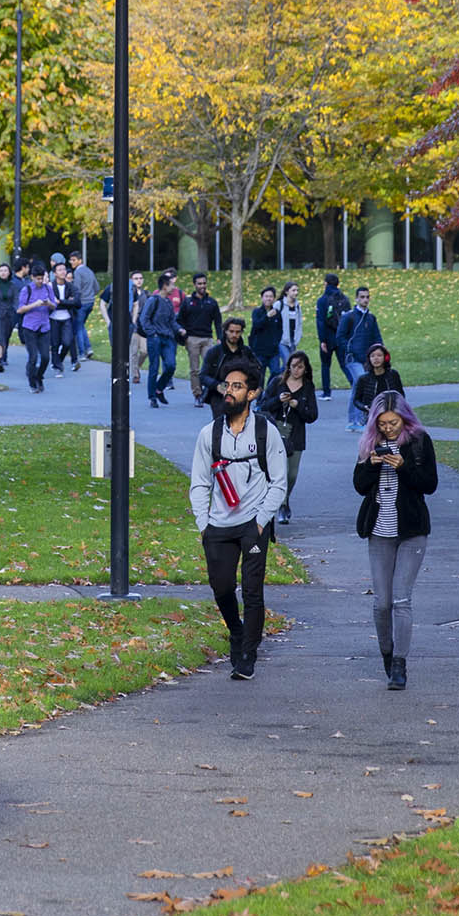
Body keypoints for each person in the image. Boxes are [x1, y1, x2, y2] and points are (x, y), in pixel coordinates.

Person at [187, 355, 285, 680]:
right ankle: (236, 631)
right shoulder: (208, 434)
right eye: (227, 385)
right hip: (218, 524)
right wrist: (204, 524)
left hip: (253, 523)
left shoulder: (265, 433)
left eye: (237, 386)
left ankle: (248, 655)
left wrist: (260, 521)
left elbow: (278, 483)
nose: (229, 391)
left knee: (253, 591)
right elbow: (199, 483)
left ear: (252, 393)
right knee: (222, 588)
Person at [353, 391, 437, 691]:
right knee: (382, 602)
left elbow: (430, 484)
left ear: (405, 418)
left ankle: (400, 664)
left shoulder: (419, 441)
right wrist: (372, 465)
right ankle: (387, 653)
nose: (388, 428)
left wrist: (404, 467)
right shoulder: (370, 443)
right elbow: (359, 486)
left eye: (393, 422)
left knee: (401, 599)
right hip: (379, 530)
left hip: (411, 530)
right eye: (383, 423)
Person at [257, 349, 319, 526]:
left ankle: (285, 498)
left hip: (295, 435)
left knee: (291, 474)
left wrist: (297, 404)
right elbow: (262, 406)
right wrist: (279, 400)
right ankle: (281, 505)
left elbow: (312, 415)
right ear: (288, 367)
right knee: (279, 472)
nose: (296, 370)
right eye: (293, 366)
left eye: (300, 367)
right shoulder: (277, 382)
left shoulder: (308, 387)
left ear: (305, 369)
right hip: (275, 433)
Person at [139, 275, 181, 406]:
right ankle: (152, 397)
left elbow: (172, 321)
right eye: (171, 285)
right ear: (164, 286)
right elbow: (144, 319)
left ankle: (159, 389)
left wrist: (180, 329)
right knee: (154, 367)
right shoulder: (153, 300)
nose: (173, 287)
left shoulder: (168, 302)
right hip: (155, 338)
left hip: (167, 338)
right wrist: (153, 333)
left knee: (171, 365)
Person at [16, 263, 58, 394]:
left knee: (45, 357)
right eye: (38, 279)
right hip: (30, 327)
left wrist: (48, 303)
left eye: (42, 278)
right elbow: (20, 309)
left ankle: (39, 376)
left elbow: (54, 305)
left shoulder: (48, 288)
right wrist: (34, 304)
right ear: (32, 277)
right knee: (33, 357)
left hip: (44, 326)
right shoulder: (26, 290)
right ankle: (32, 382)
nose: (40, 281)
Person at [178, 273, 223, 385]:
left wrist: (219, 337)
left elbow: (218, 321)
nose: (202, 286)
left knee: (212, 366)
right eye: (199, 283)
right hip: (192, 338)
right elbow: (179, 319)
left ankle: (209, 392)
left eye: (204, 283)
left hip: (207, 339)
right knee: (195, 369)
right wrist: (183, 333)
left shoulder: (212, 302)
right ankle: (197, 394)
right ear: (194, 285)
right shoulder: (187, 302)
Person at [335, 284, 382, 387]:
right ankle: (363, 403)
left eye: (367, 297)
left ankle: (355, 404)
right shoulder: (348, 317)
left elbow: (377, 337)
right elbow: (339, 337)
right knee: (362, 382)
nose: (365, 300)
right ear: (356, 299)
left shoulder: (371, 318)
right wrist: (350, 349)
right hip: (353, 358)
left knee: (358, 388)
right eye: (362, 297)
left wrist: (379, 352)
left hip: (368, 359)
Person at [198, 317, 251, 408]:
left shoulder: (246, 352)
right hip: (219, 394)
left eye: (237, 332)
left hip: (240, 394)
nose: (234, 335)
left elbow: (257, 373)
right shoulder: (214, 352)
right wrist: (217, 386)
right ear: (225, 331)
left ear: (241, 332)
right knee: (222, 420)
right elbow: (203, 376)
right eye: (231, 331)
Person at [349, 343, 403, 429]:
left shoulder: (393, 375)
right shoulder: (364, 379)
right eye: (372, 356)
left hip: (392, 414)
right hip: (372, 416)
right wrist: (365, 407)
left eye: (379, 355)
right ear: (369, 359)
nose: (376, 358)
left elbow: (401, 395)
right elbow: (356, 400)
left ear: (385, 357)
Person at [314, 272, 350, 385]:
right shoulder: (345, 299)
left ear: (325, 283)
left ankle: (326, 392)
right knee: (344, 365)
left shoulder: (322, 300)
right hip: (341, 337)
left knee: (325, 365)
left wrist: (322, 340)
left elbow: (320, 322)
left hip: (328, 336)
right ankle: (356, 386)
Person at [0, 261, 18, 373]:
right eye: (1, 270)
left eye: (5, 270)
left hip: (9, 315)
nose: (3, 273)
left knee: (5, 337)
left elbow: (16, 300)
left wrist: (17, 312)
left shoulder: (13, 286)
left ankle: (3, 355)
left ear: (9, 272)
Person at [249, 285, 283, 381]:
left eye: (271, 296)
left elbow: (280, 329)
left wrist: (276, 341)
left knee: (276, 372)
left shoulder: (277, 313)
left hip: (273, 350)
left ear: (274, 298)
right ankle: (259, 396)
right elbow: (257, 325)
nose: (268, 299)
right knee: (260, 376)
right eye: (266, 296)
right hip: (260, 350)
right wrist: (267, 316)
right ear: (262, 298)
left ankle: (269, 392)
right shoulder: (257, 312)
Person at [70, 253, 98, 365]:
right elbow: (96, 287)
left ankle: (82, 353)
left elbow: (76, 288)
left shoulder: (78, 272)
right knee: (81, 326)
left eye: (74, 260)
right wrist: (90, 295)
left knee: (78, 327)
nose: (71, 262)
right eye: (70, 260)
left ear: (80, 260)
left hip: (82, 303)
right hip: (90, 302)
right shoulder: (89, 271)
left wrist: (75, 298)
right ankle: (88, 348)